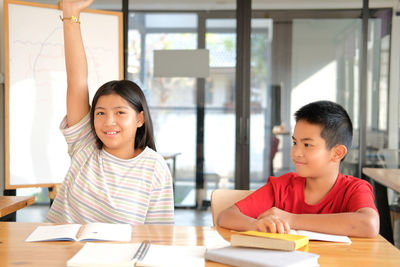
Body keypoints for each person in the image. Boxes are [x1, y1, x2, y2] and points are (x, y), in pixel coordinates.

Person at [46, 0, 174, 224]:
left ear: (140, 118)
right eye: (100, 113)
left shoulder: (154, 167)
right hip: (60, 252)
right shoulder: (84, 144)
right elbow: (77, 81)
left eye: (120, 113)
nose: (108, 122)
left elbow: (159, 233)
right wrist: (70, 14)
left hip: (116, 258)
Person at [218, 101, 379, 237]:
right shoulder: (282, 187)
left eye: (307, 145)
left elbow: (369, 224)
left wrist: (291, 219)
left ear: (337, 153)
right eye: (295, 143)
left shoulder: (354, 189)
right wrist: (256, 225)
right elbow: (226, 216)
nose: (296, 153)